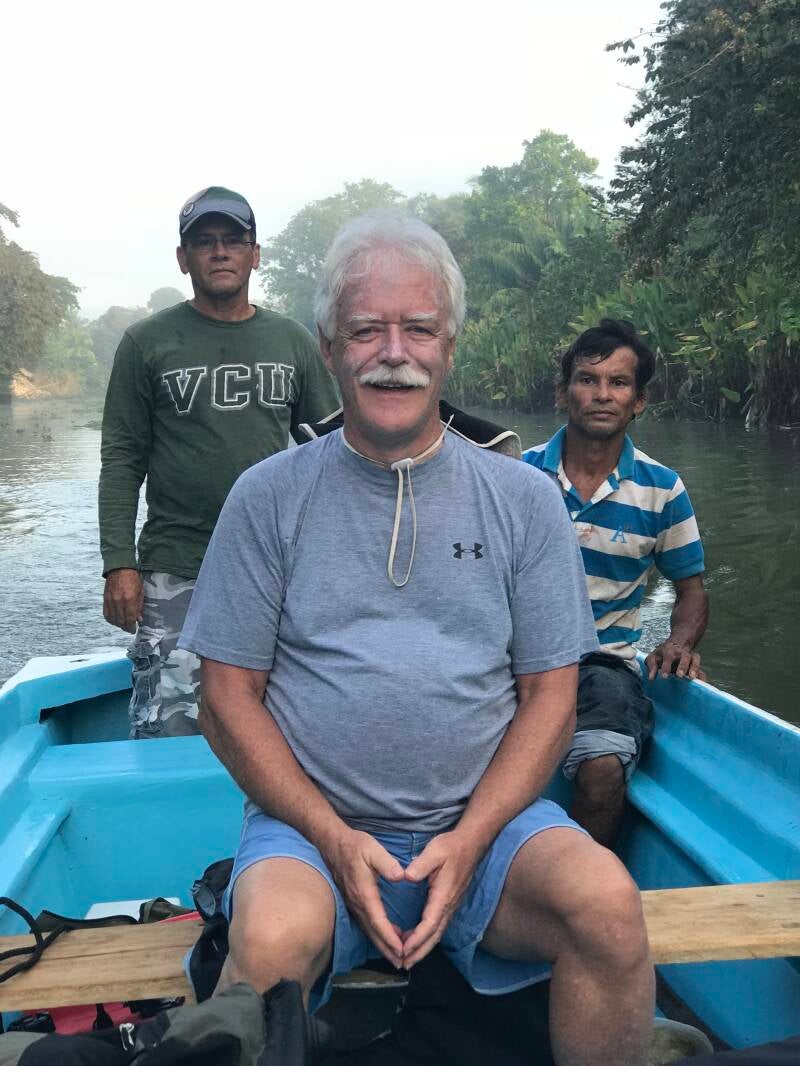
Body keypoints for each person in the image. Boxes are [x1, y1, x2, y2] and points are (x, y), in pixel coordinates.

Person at [178, 211, 656, 1065]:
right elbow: (225, 697)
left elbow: (551, 697)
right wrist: (333, 837)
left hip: (489, 831)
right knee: (269, 944)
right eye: (367, 329)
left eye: (419, 329)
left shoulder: (524, 499)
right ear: (330, 348)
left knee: (608, 905)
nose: (393, 353)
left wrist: (469, 841)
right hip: (311, 837)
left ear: (449, 346)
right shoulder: (267, 496)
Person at [99, 187, 339, 739]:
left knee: (281, 722)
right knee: (173, 725)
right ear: (183, 259)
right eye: (204, 242)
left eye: (233, 240)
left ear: (256, 254)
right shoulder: (146, 342)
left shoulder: (291, 340)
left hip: (277, 565)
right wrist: (119, 564)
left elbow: (329, 451)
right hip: (177, 563)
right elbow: (121, 459)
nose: (220, 251)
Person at [522, 319, 709, 846]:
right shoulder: (517, 475)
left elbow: (691, 589)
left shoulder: (662, 489)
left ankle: (576, 881)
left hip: (603, 662)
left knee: (604, 767)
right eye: (588, 379)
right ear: (563, 393)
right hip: (512, 658)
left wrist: (678, 641)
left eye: (619, 383)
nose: (603, 394)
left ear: (639, 401)